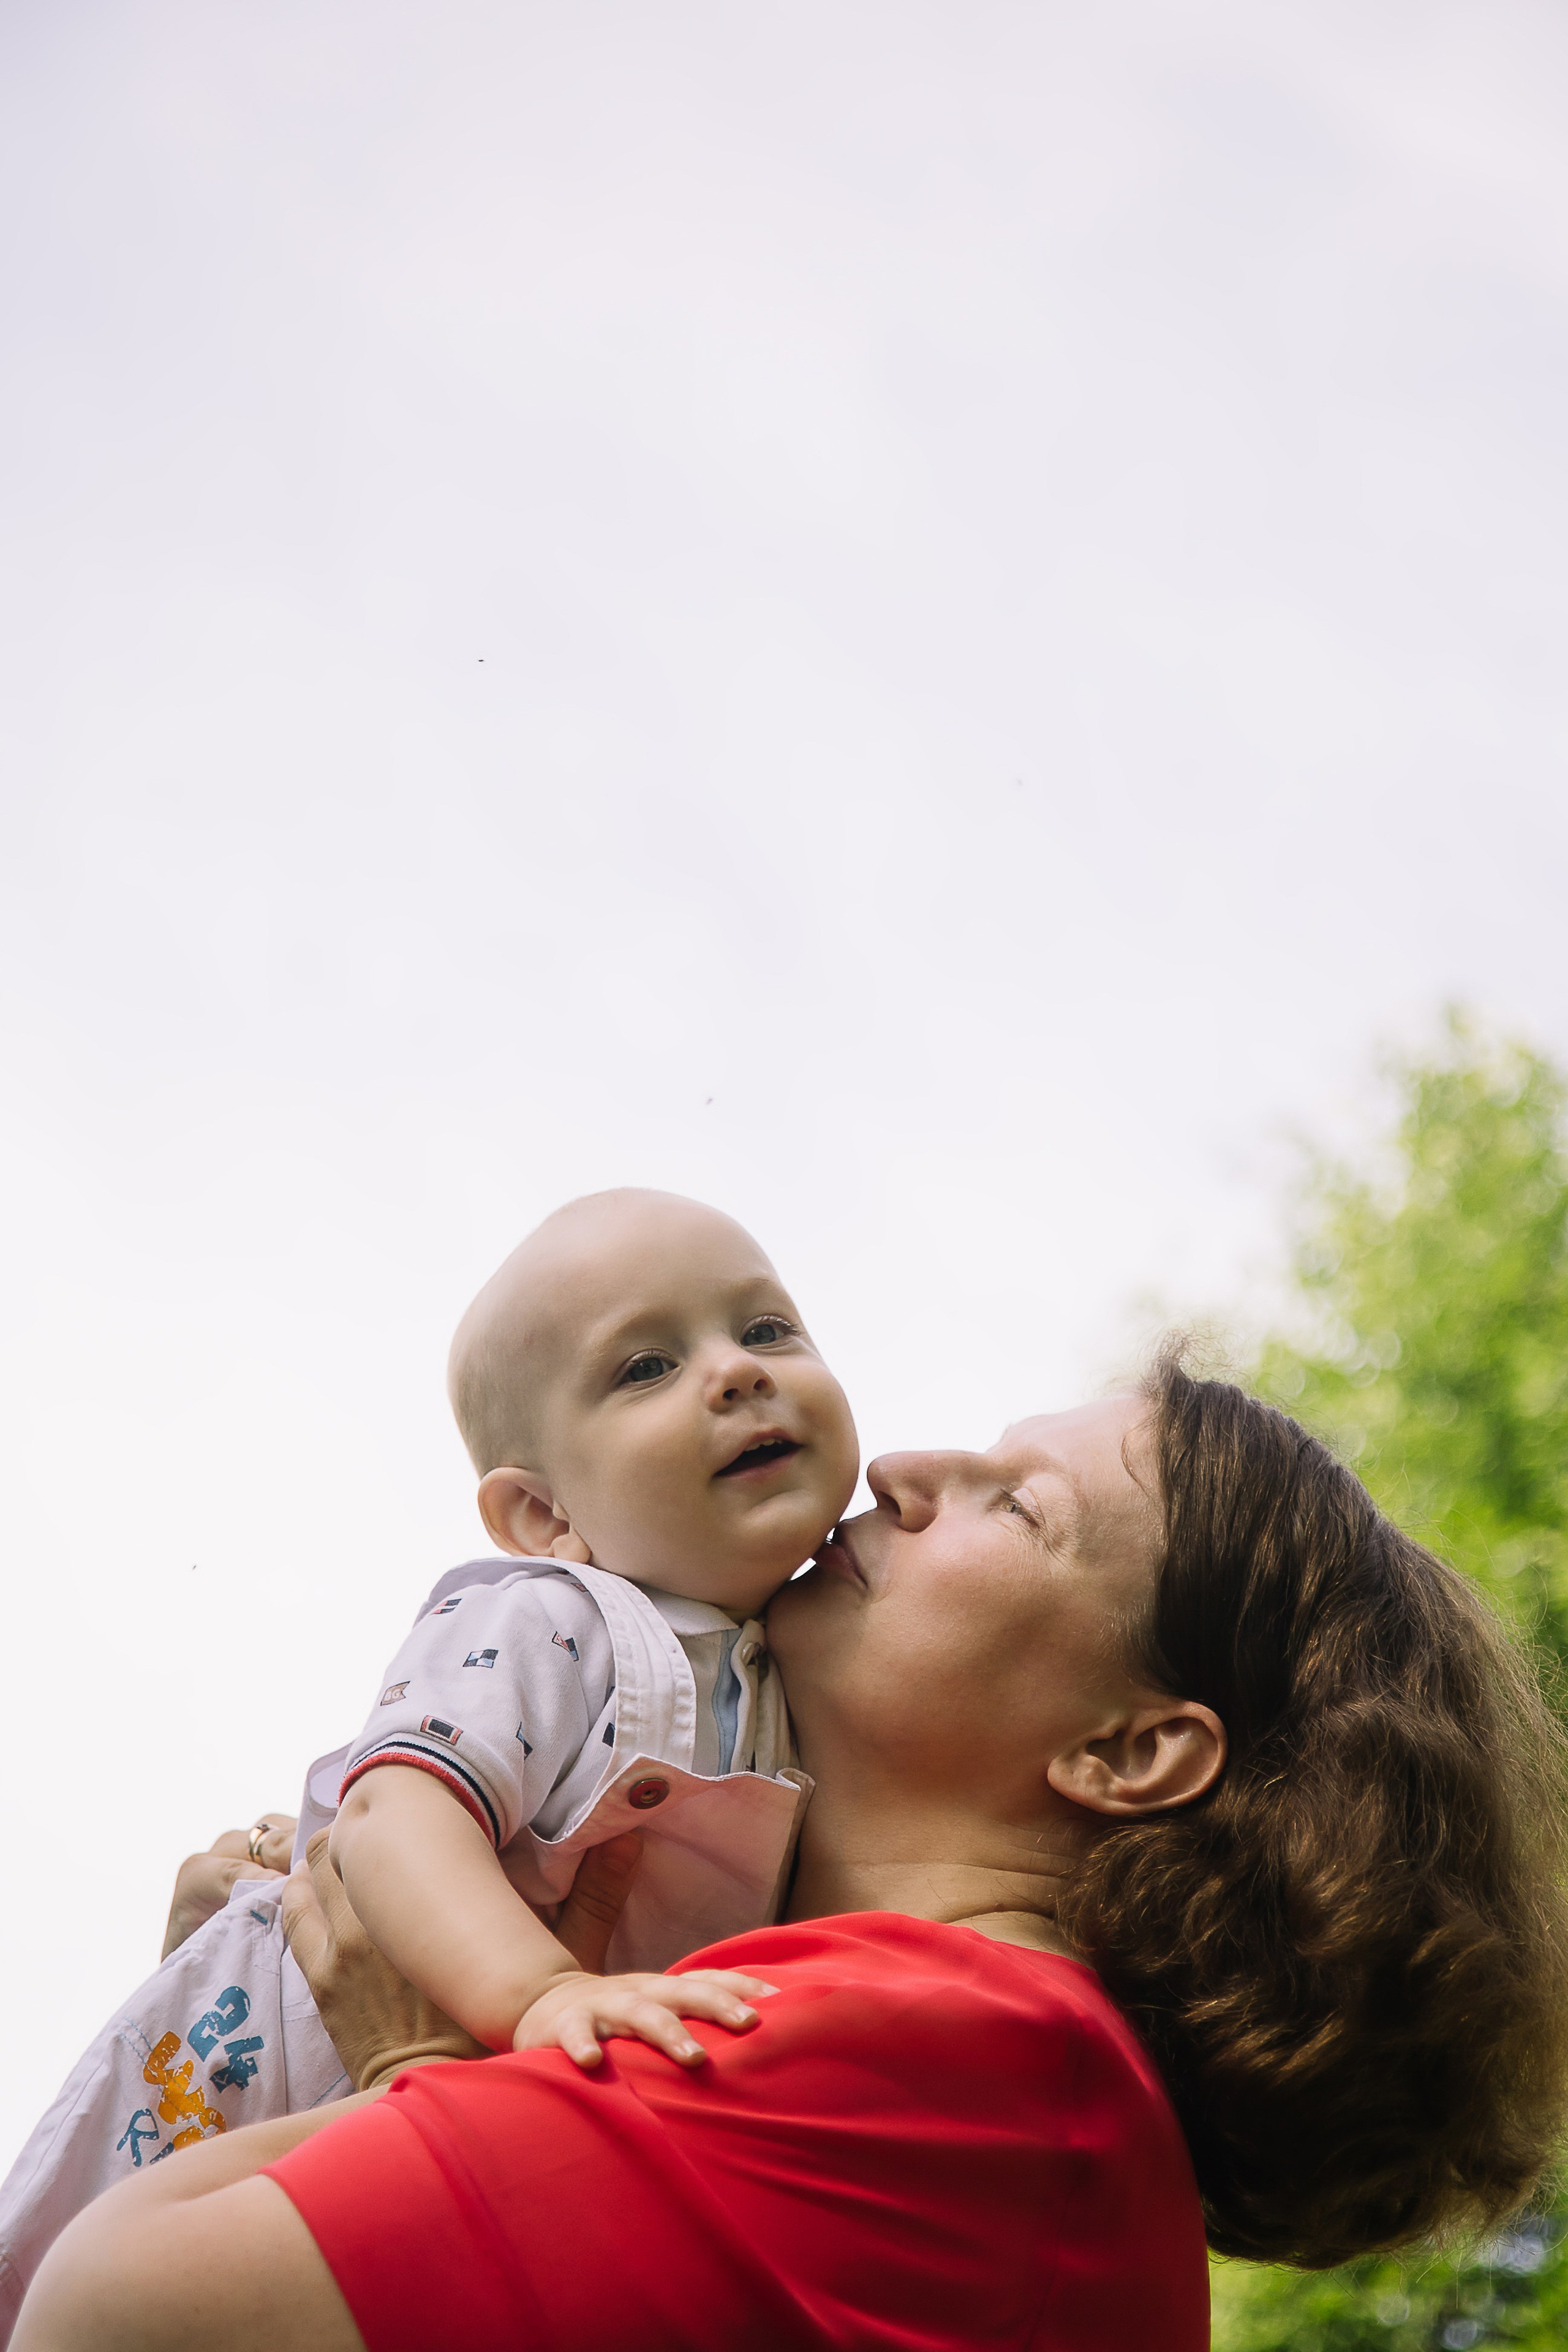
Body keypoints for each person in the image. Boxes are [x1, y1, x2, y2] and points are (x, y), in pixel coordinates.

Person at [16, 1363, 1568, 2351]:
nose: (898, 1467)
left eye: (1014, 1505)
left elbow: (119, 2317)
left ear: (1127, 1752)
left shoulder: (973, 2058)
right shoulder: (981, 2092)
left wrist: (405, 2069)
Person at [0, 1191, 858, 2324]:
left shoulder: (790, 1671)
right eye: (647, 1366)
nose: (737, 1373)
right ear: (545, 1514)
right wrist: (540, 1992)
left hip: (440, 2136)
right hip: (265, 2066)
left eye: (766, 1330)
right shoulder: (552, 1616)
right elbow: (394, 1817)